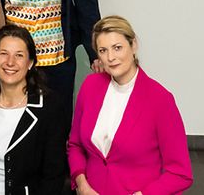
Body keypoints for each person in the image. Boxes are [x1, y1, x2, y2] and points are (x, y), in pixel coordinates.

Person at [69, 16, 193, 194]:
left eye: (117, 48)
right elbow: (75, 145)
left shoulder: (160, 100)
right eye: (103, 50)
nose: (110, 58)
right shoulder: (90, 86)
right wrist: (81, 183)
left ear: (133, 45)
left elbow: (181, 174)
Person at [0, 24, 68, 195]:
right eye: (3, 54)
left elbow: (54, 175)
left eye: (19, 55)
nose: (10, 62)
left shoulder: (50, 107)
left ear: (30, 63)